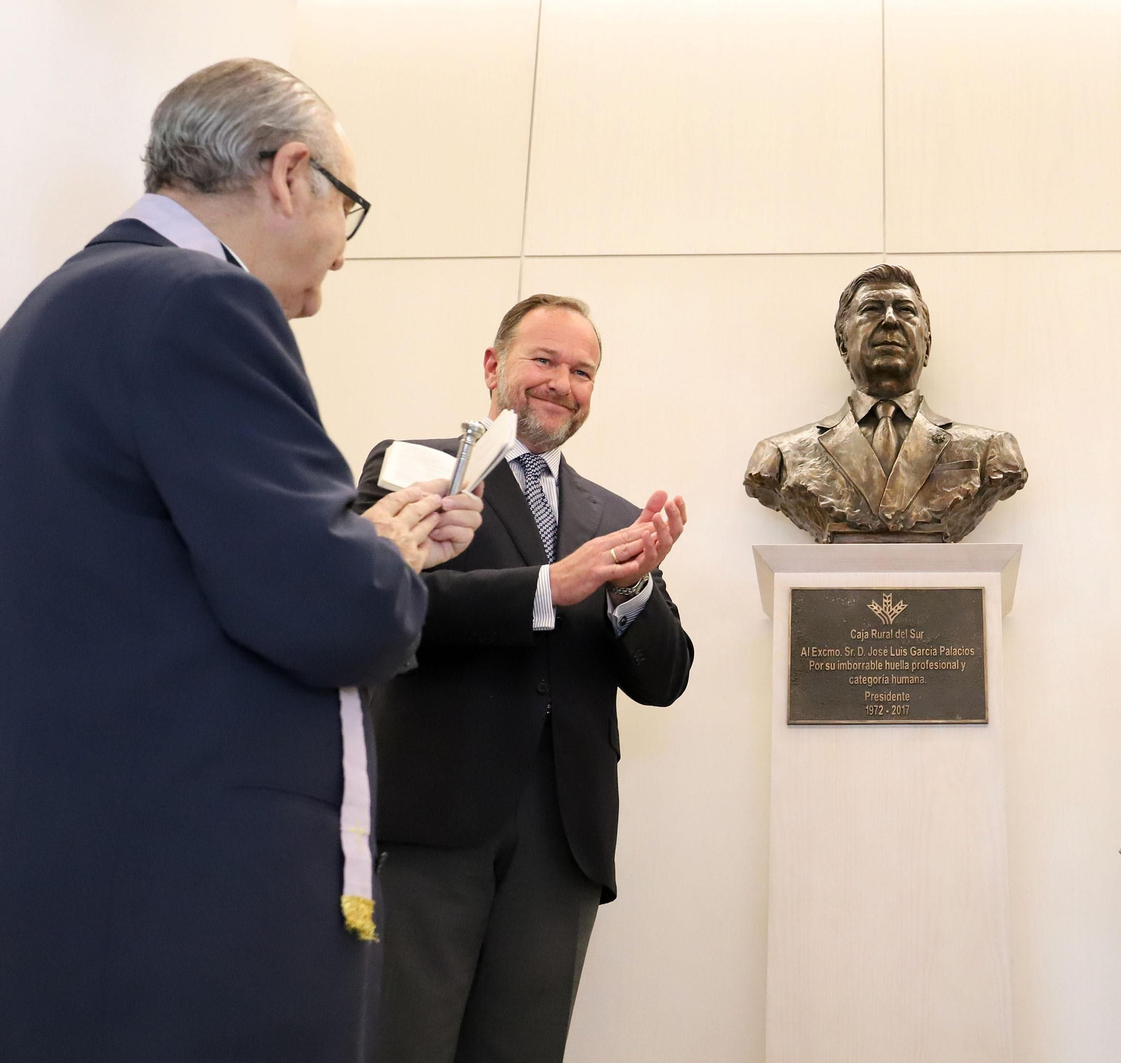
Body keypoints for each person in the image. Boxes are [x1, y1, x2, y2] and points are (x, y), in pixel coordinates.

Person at [0, 59, 482, 1062]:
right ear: (289, 173)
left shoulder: (53, 312)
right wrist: (384, 550)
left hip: (78, 884)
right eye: (350, 210)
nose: (343, 259)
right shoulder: (197, 303)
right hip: (191, 908)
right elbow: (335, 607)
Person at [356, 293, 695, 1063]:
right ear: (493, 365)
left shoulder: (615, 515)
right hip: (432, 822)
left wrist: (631, 590)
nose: (562, 383)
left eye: (583, 371)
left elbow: (665, 678)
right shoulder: (417, 464)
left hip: (562, 842)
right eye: (544, 359)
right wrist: (549, 586)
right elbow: (386, 604)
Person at [744, 263, 1026, 542]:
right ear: (843, 344)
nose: (890, 320)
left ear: (927, 345)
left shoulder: (990, 452)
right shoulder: (781, 457)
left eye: (905, 310)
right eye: (871, 309)